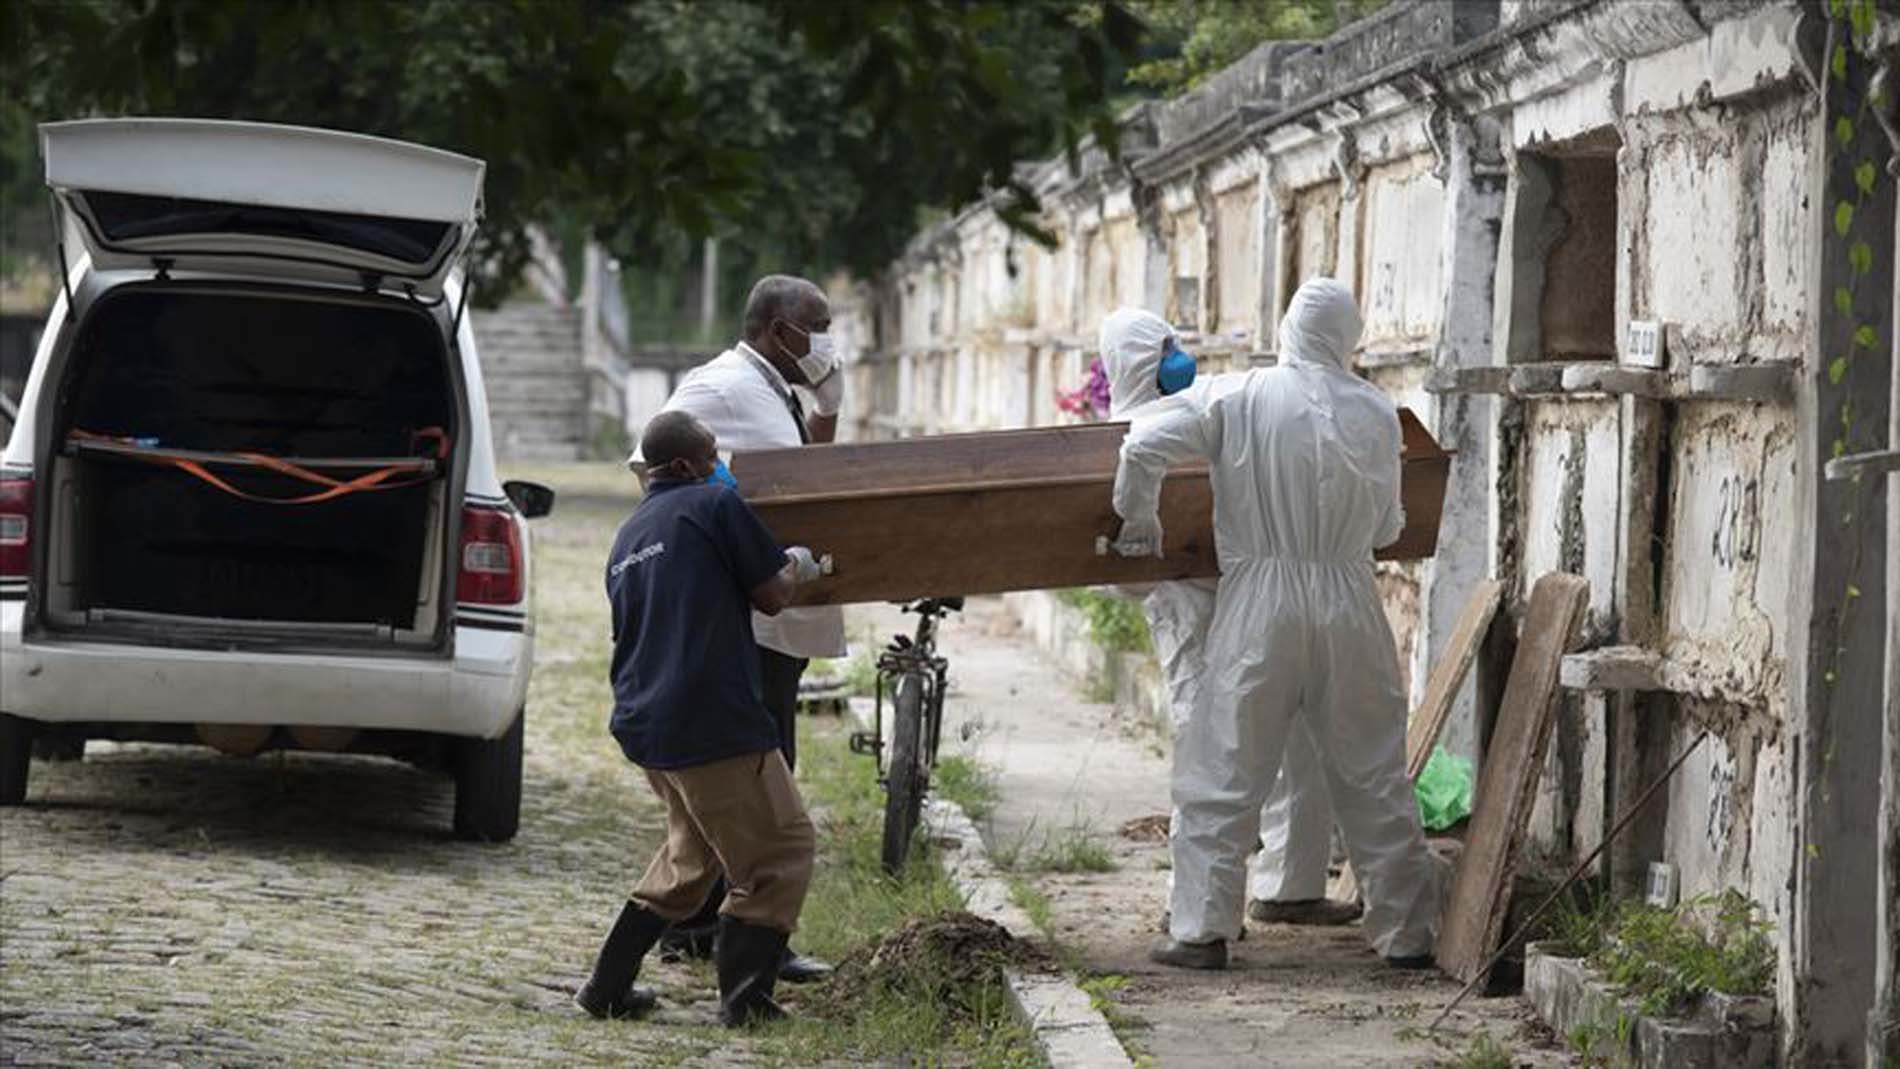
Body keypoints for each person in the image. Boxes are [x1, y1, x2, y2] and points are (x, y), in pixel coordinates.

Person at [1109, 279, 1438, 970]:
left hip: (1261, 598)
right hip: (1350, 596)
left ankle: (1201, 929)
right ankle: (1406, 934)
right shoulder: (1378, 412)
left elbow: (1141, 444)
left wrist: (1141, 525)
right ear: (1348, 337)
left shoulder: (1236, 394)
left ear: (1287, 328)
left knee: (1225, 764)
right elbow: (1388, 525)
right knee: (1372, 767)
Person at [1097, 308, 1361, 931]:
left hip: (1261, 593)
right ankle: (1196, 908)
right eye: (1161, 348)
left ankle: (1291, 887)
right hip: (1192, 605)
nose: (1177, 357)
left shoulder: (1216, 407)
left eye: (1174, 343)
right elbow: (1122, 569)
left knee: (1300, 736)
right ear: (1133, 361)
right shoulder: (1124, 435)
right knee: (1208, 747)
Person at [577, 411, 826, 1026]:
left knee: (691, 860)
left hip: (646, 719)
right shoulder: (712, 504)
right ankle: (747, 1002)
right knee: (779, 851)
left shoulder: (631, 533)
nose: (721, 464)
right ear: (687, 465)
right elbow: (771, 592)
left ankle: (605, 989)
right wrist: (801, 564)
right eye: (713, 453)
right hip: (710, 719)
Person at [629, 274, 845, 982]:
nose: (826, 340)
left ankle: (703, 926)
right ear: (777, 329)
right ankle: (753, 948)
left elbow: (804, 478)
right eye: (817, 325)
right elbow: (651, 460)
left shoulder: (778, 391)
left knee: (753, 778)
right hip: (744, 619)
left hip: (774, 610)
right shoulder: (719, 384)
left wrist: (827, 415)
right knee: (759, 785)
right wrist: (721, 538)